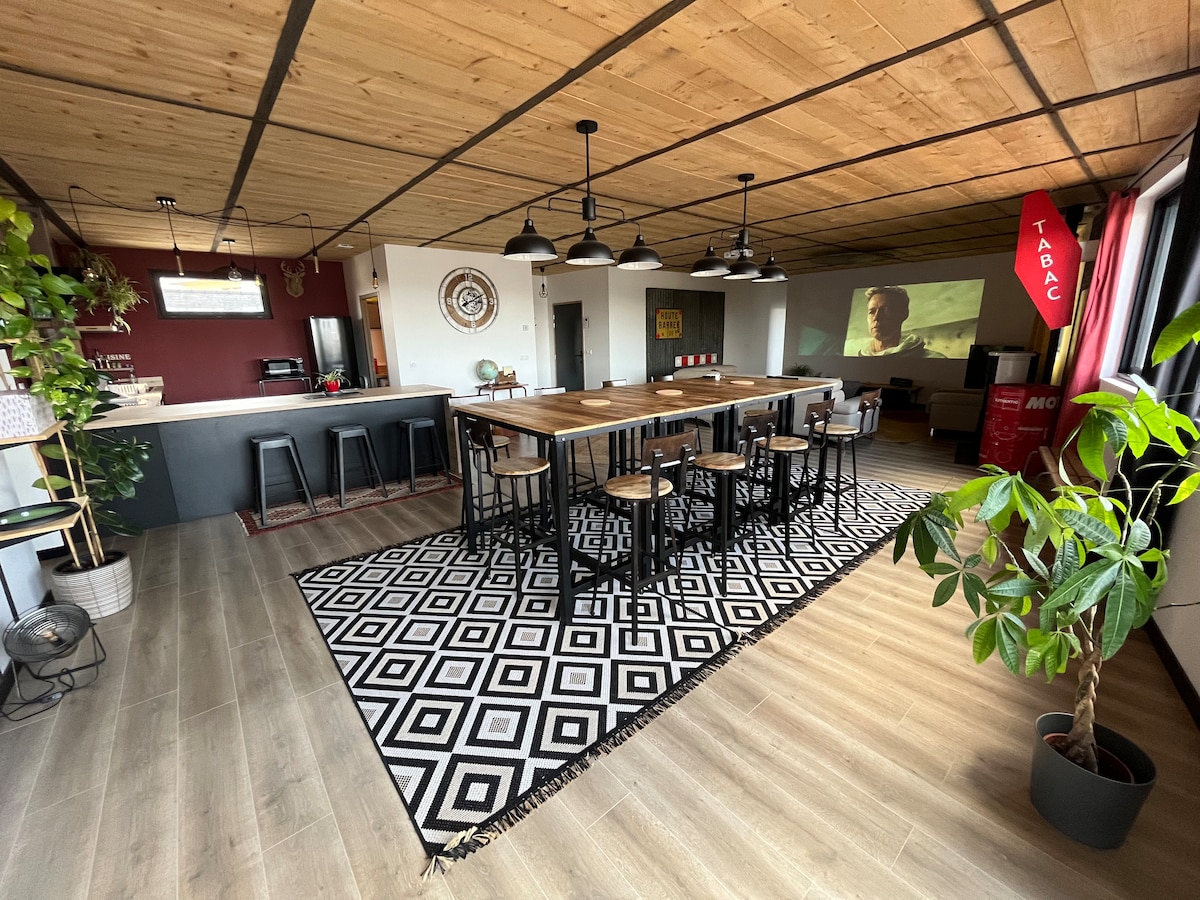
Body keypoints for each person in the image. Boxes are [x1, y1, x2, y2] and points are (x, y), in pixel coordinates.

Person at [853, 285, 946, 358]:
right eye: (871, 312)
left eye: (886, 310)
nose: (876, 317)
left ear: (903, 313)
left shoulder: (934, 360)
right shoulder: (855, 363)